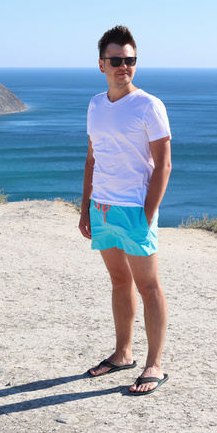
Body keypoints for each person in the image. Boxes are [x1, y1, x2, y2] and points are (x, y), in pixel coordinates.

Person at [78, 25, 172, 396]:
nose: (123, 66)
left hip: (134, 209)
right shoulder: (96, 104)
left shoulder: (149, 105)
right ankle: (122, 354)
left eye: (129, 60)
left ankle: (155, 364)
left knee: (149, 286)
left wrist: (147, 214)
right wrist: (85, 206)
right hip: (102, 207)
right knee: (119, 282)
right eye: (116, 60)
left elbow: (163, 164)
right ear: (101, 64)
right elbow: (91, 157)